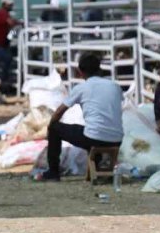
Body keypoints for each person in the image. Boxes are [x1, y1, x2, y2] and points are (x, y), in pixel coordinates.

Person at [38, 53, 123, 181]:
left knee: (56, 128)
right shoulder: (115, 86)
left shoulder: (81, 88)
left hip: (94, 138)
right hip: (117, 138)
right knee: (93, 130)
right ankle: (99, 168)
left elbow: (59, 112)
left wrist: (50, 127)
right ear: (99, 69)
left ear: (80, 72)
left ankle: (53, 172)